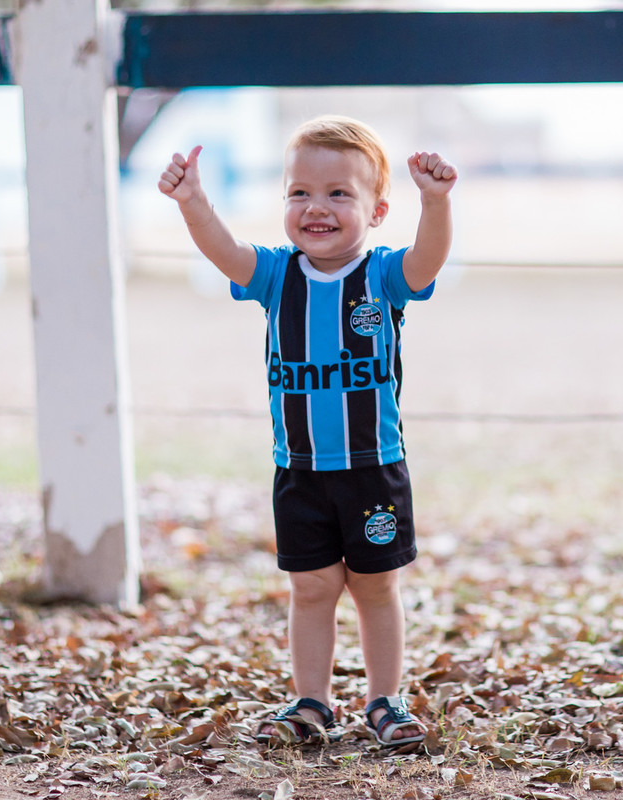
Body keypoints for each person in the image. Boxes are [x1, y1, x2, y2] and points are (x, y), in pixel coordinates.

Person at [158, 115, 457, 748]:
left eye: (338, 193)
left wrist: (435, 201)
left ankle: (385, 701)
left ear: (376, 211)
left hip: (372, 464)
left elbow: (429, 261)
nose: (315, 208)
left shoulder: (382, 276)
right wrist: (194, 202)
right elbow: (222, 250)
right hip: (299, 469)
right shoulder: (275, 276)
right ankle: (311, 702)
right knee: (312, 587)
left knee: (375, 586)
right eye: (300, 193)